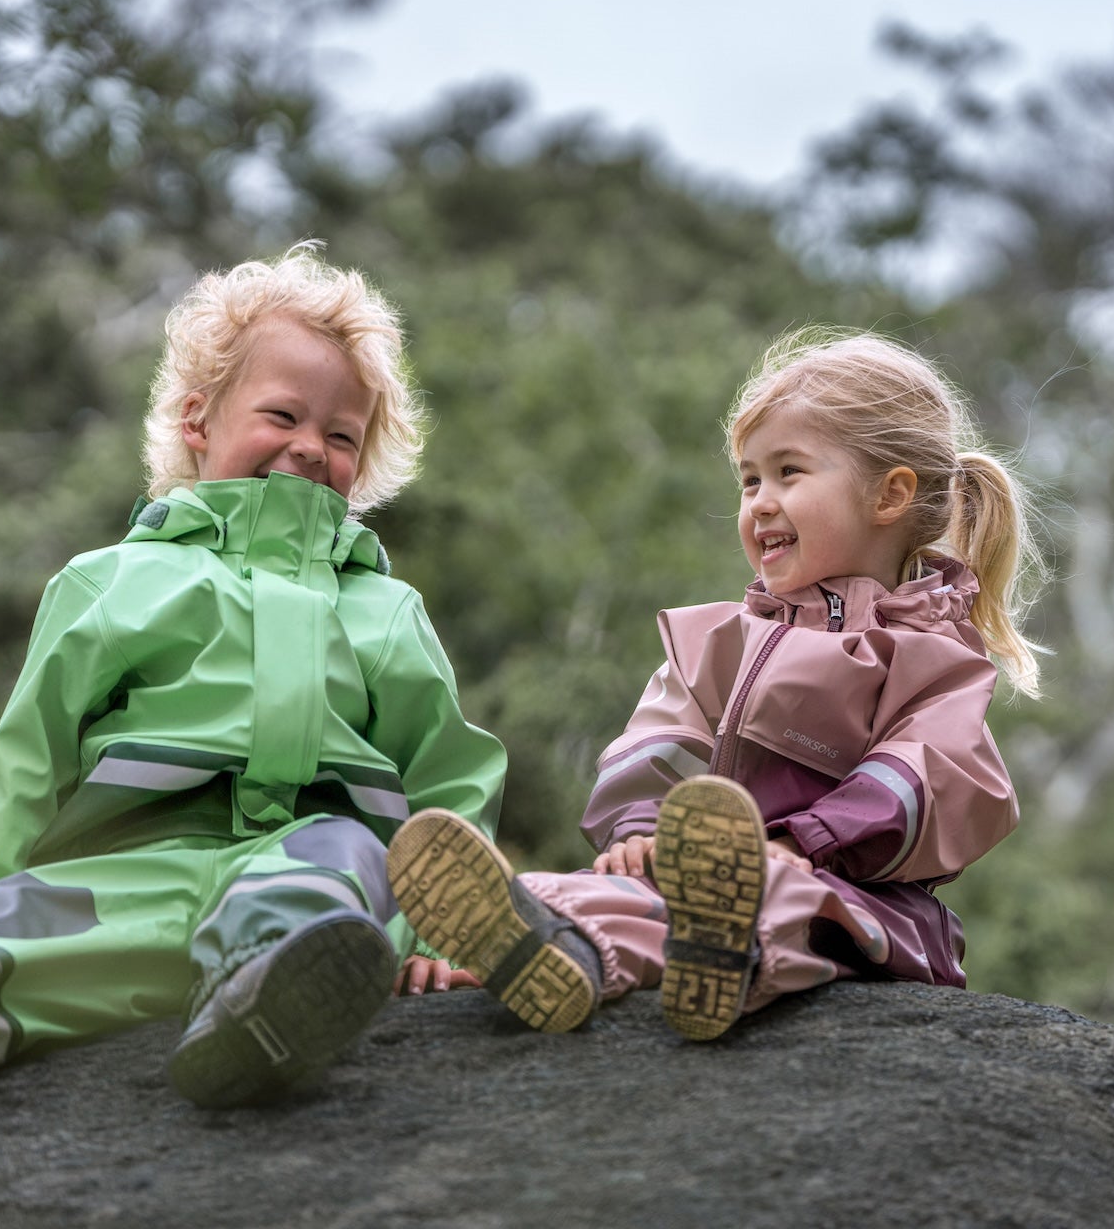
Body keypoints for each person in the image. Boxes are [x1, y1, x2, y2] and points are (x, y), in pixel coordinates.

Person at [0, 245, 505, 1142]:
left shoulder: (384, 609)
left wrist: (444, 938)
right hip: (131, 864)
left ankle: (268, 1008)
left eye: (343, 435)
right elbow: (26, 763)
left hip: (311, 853)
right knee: (23, 936)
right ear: (199, 419)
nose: (312, 446)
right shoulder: (114, 582)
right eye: (283, 415)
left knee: (331, 860)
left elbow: (447, 780)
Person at [387, 328, 1042, 1040]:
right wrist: (640, 827)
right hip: (697, 880)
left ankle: (718, 959)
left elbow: (933, 774)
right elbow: (662, 735)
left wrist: (801, 842)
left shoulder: (930, 656)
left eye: (789, 472)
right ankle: (541, 949)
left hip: (855, 903)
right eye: (749, 478)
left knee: (775, 897)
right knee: (595, 892)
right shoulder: (720, 640)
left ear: (890, 495)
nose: (759, 501)